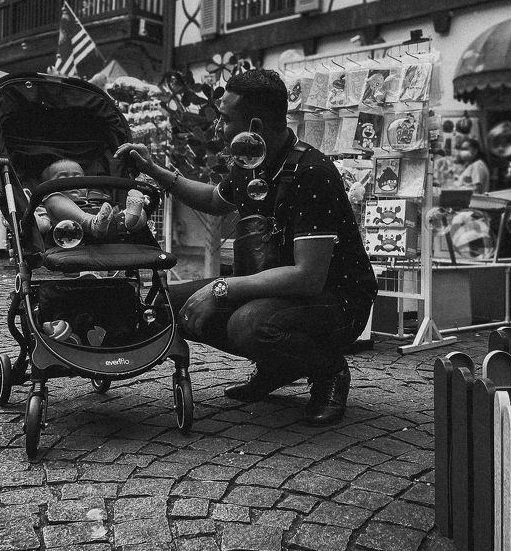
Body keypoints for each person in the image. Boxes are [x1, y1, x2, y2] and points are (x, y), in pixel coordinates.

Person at [115, 68, 376, 427]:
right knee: (166, 305)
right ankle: (278, 366)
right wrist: (154, 170)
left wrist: (220, 287)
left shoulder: (311, 173)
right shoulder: (252, 160)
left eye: (225, 119)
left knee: (248, 325)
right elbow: (213, 199)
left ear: (254, 124)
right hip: (280, 291)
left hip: (337, 300)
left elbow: (308, 277)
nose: (218, 127)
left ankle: (329, 371)